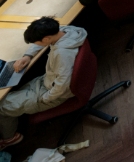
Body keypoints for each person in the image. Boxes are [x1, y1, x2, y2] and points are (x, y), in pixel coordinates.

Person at [0, 17, 86, 146]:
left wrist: (44, 99)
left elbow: (63, 85)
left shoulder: (62, 54)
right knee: (10, 92)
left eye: (38, 42)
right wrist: (27, 56)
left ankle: (10, 138)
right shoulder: (67, 31)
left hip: (52, 94)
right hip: (47, 82)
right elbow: (39, 43)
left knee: (2, 106)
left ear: (46, 39)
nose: (37, 45)